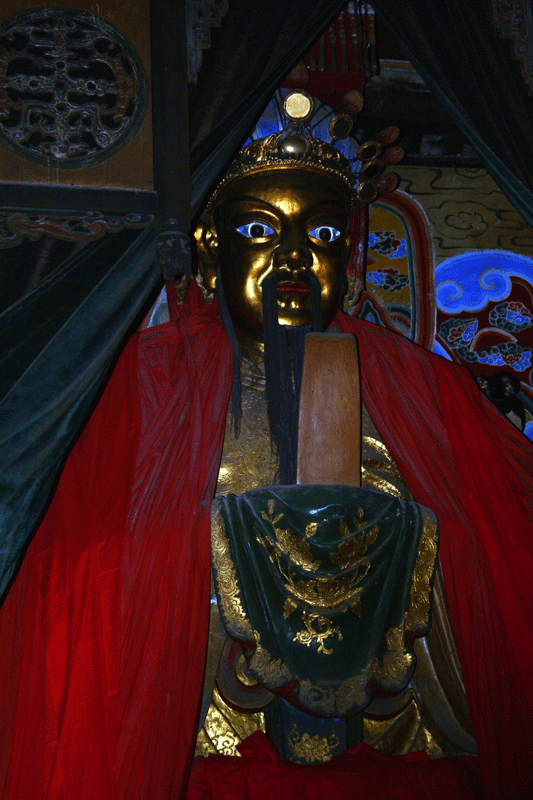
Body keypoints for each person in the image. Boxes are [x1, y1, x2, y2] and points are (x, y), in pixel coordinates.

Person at [0, 92, 532, 800]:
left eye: (322, 235)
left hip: (395, 754)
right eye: (258, 229)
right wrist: (220, 543)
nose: (293, 258)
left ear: (349, 257)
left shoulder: (420, 389)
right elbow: (64, 574)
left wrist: (398, 545)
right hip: (195, 747)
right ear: (209, 249)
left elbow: (502, 560)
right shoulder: (139, 384)